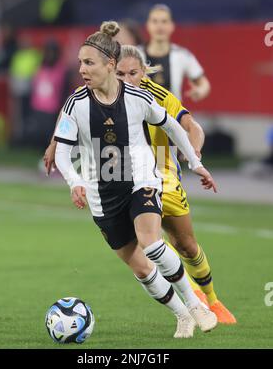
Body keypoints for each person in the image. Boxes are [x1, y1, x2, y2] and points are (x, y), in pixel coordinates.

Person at [53, 21, 218, 338]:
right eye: (80, 63)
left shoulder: (136, 97)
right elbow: (62, 152)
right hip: (103, 196)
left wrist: (196, 163)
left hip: (141, 180)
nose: (82, 69)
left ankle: (196, 303)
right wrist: (74, 181)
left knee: (151, 242)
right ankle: (183, 315)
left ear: (109, 64)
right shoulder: (76, 105)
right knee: (142, 268)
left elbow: (172, 126)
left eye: (88, 62)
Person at [114, 45, 236, 324]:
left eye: (133, 73)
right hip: (126, 179)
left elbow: (192, 127)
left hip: (164, 176)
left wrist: (194, 154)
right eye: (120, 73)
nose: (126, 79)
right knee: (149, 242)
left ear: (144, 72)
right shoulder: (103, 96)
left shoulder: (158, 96)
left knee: (186, 244)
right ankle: (191, 298)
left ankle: (212, 300)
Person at [139, 4, 211, 102]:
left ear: (172, 26)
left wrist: (200, 91)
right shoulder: (135, 54)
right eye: (155, 21)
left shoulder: (182, 55)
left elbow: (203, 83)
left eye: (164, 21)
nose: (159, 26)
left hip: (173, 115)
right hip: (142, 115)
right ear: (147, 25)